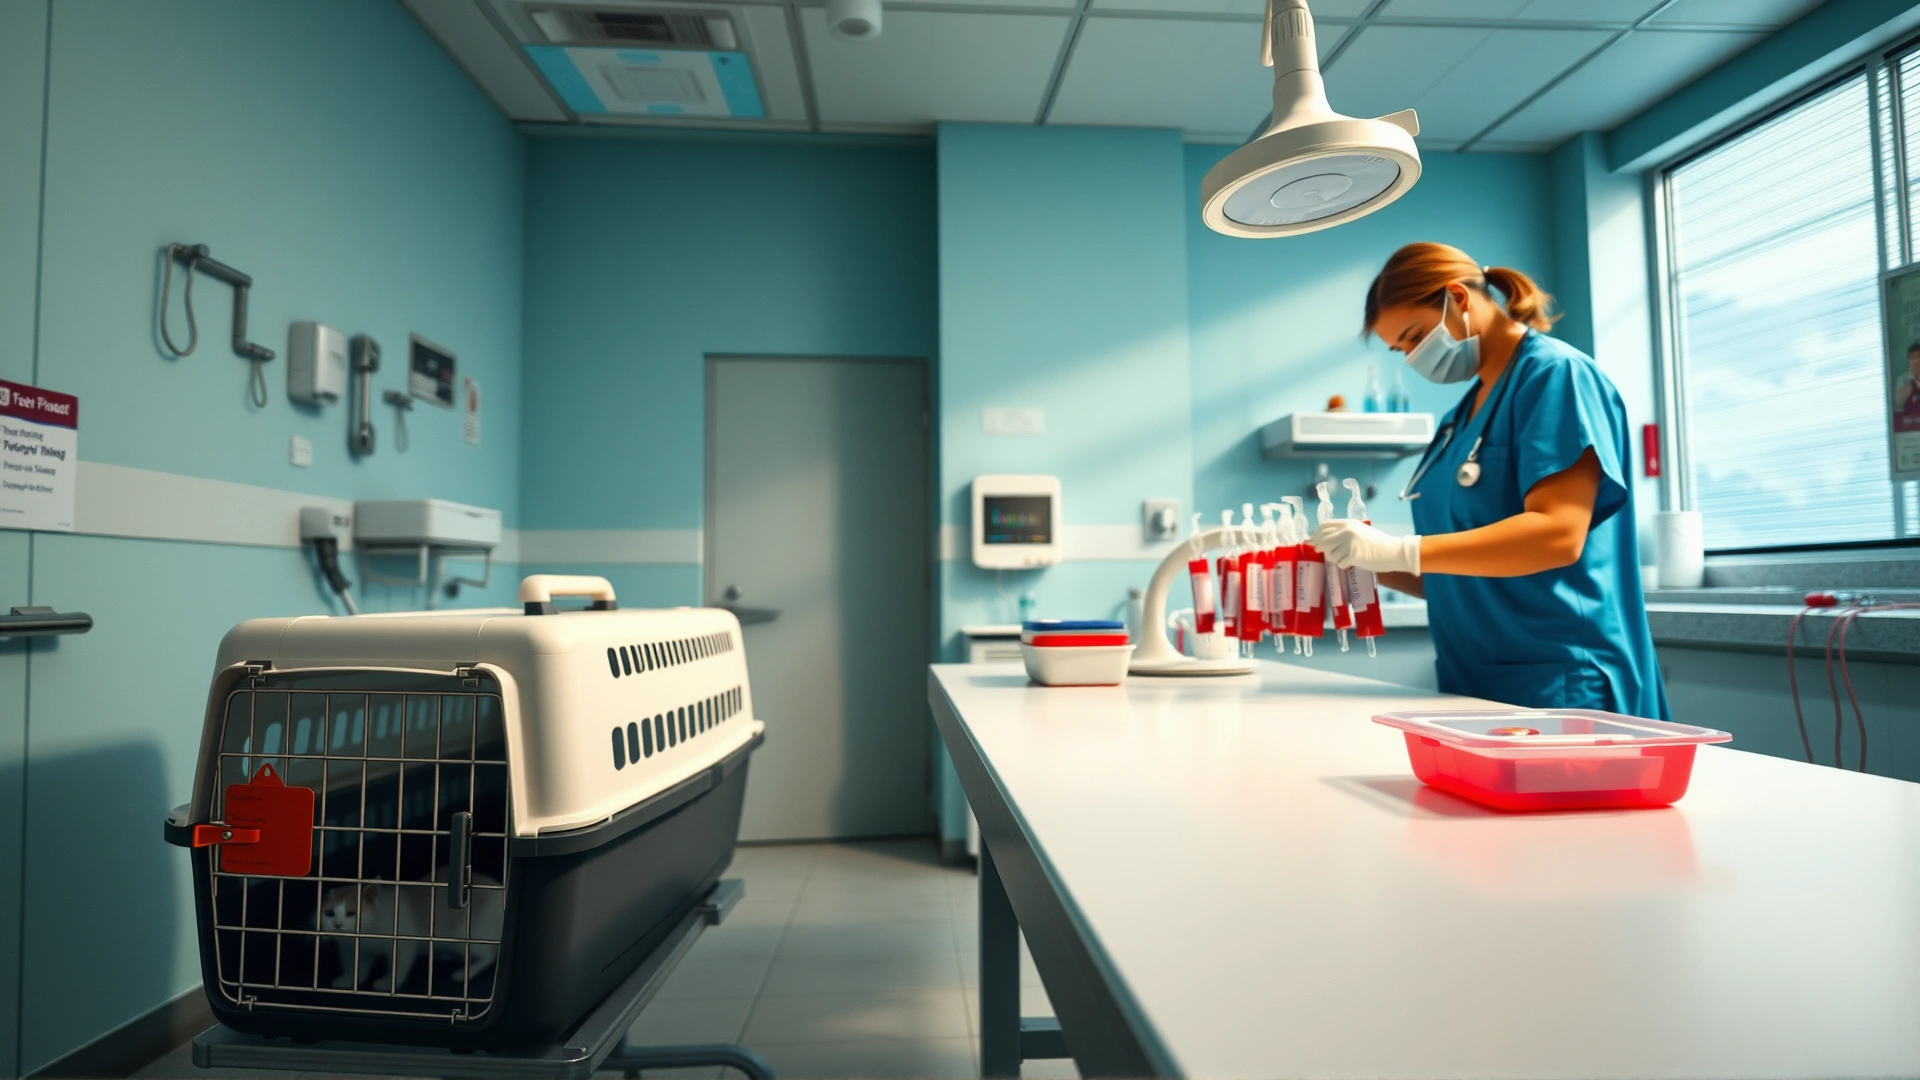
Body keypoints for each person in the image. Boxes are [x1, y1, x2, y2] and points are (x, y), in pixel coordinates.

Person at [1309, 242, 1668, 719]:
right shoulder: (1458, 420)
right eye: (1401, 350)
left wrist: (1398, 549)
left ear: (1458, 297)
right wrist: (1357, 558)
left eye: (1415, 337)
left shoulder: (1556, 377)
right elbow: (1459, 569)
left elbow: (1557, 535)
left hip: (1561, 681)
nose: (1413, 358)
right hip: (1473, 677)